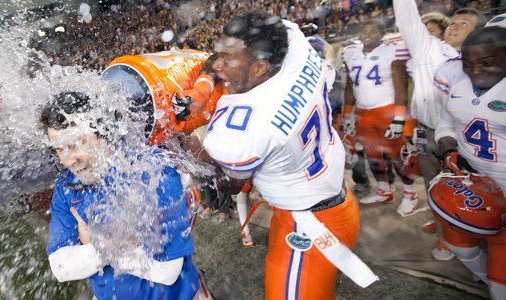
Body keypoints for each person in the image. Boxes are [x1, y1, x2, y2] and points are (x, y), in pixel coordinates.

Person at [200, 12, 377, 299]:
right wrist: (206, 80)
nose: (218, 64)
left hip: (309, 225)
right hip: (328, 200)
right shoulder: (294, 44)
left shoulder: (247, 128)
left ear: (259, 67)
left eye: (227, 58)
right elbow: (277, 26)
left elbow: (227, 184)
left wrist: (184, 146)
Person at [43, 92, 200, 299]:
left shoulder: (153, 170)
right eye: (60, 149)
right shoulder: (67, 186)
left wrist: (93, 246)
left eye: (76, 144)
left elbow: (167, 271)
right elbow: (61, 268)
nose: (69, 161)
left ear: (105, 131)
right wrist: (116, 244)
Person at [393, 0, 484, 259]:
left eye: (464, 23)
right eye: (453, 21)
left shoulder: (486, 60)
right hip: (427, 130)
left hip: (466, 138)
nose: (455, 25)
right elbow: (408, 19)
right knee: (433, 182)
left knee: (467, 190)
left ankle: (466, 238)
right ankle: (445, 231)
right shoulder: (429, 48)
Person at [432, 26, 506, 300]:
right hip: (466, 180)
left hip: (503, 187)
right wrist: (449, 148)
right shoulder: (460, 85)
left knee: (501, 289)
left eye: (486, 62)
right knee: (461, 247)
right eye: (468, 63)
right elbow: (444, 122)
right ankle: (485, 277)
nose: (475, 70)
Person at [342, 19, 419, 215]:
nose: (368, 34)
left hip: (387, 110)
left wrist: (399, 118)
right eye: (365, 30)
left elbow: (401, 87)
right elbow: (350, 87)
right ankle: (384, 189)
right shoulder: (350, 52)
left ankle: (410, 193)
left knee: (398, 156)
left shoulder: (391, 51)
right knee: (372, 155)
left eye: (374, 31)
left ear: (382, 35)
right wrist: (347, 115)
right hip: (362, 112)